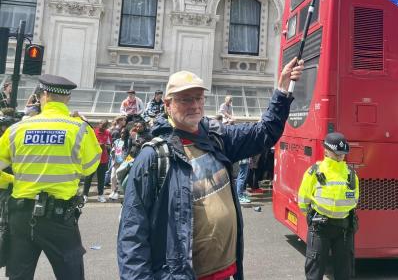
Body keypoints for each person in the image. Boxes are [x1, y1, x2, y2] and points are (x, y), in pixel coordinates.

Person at [117, 58, 304, 280]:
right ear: (167, 105)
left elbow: (264, 133)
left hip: (228, 272)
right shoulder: (153, 156)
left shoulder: (217, 137)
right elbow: (132, 233)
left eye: (198, 98)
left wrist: (282, 90)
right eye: (185, 99)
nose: (194, 105)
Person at [0, 74, 101, 280]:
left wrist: (14, 180)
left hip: (20, 214)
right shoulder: (80, 129)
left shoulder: (18, 129)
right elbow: (90, 168)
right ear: (68, 99)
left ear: (43, 95)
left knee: (19, 276)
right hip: (59, 217)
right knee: (71, 275)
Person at [298, 132, 359, 280]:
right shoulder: (315, 171)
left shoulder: (350, 173)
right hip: (320, 229)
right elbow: (303, 199)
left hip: (344, 229)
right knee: (315, 273)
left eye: (342, 154)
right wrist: (312, 216)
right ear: (326, 150)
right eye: (337, 153)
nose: (340, 157)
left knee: (345, 274)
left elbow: (354, 200)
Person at [83, 120, 112, 203]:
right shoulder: (92, 132)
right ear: (99, 124)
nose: (103, 127)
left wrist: (105, 146)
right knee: (88, 178)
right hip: (92, 158)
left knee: (101, 178)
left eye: (105, 126)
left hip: (103, 159)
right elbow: (86, 144)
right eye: (102, 125)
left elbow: (110, 145)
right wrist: (97, 145)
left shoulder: (107, 133)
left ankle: (100, 195)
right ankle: (85, 195)